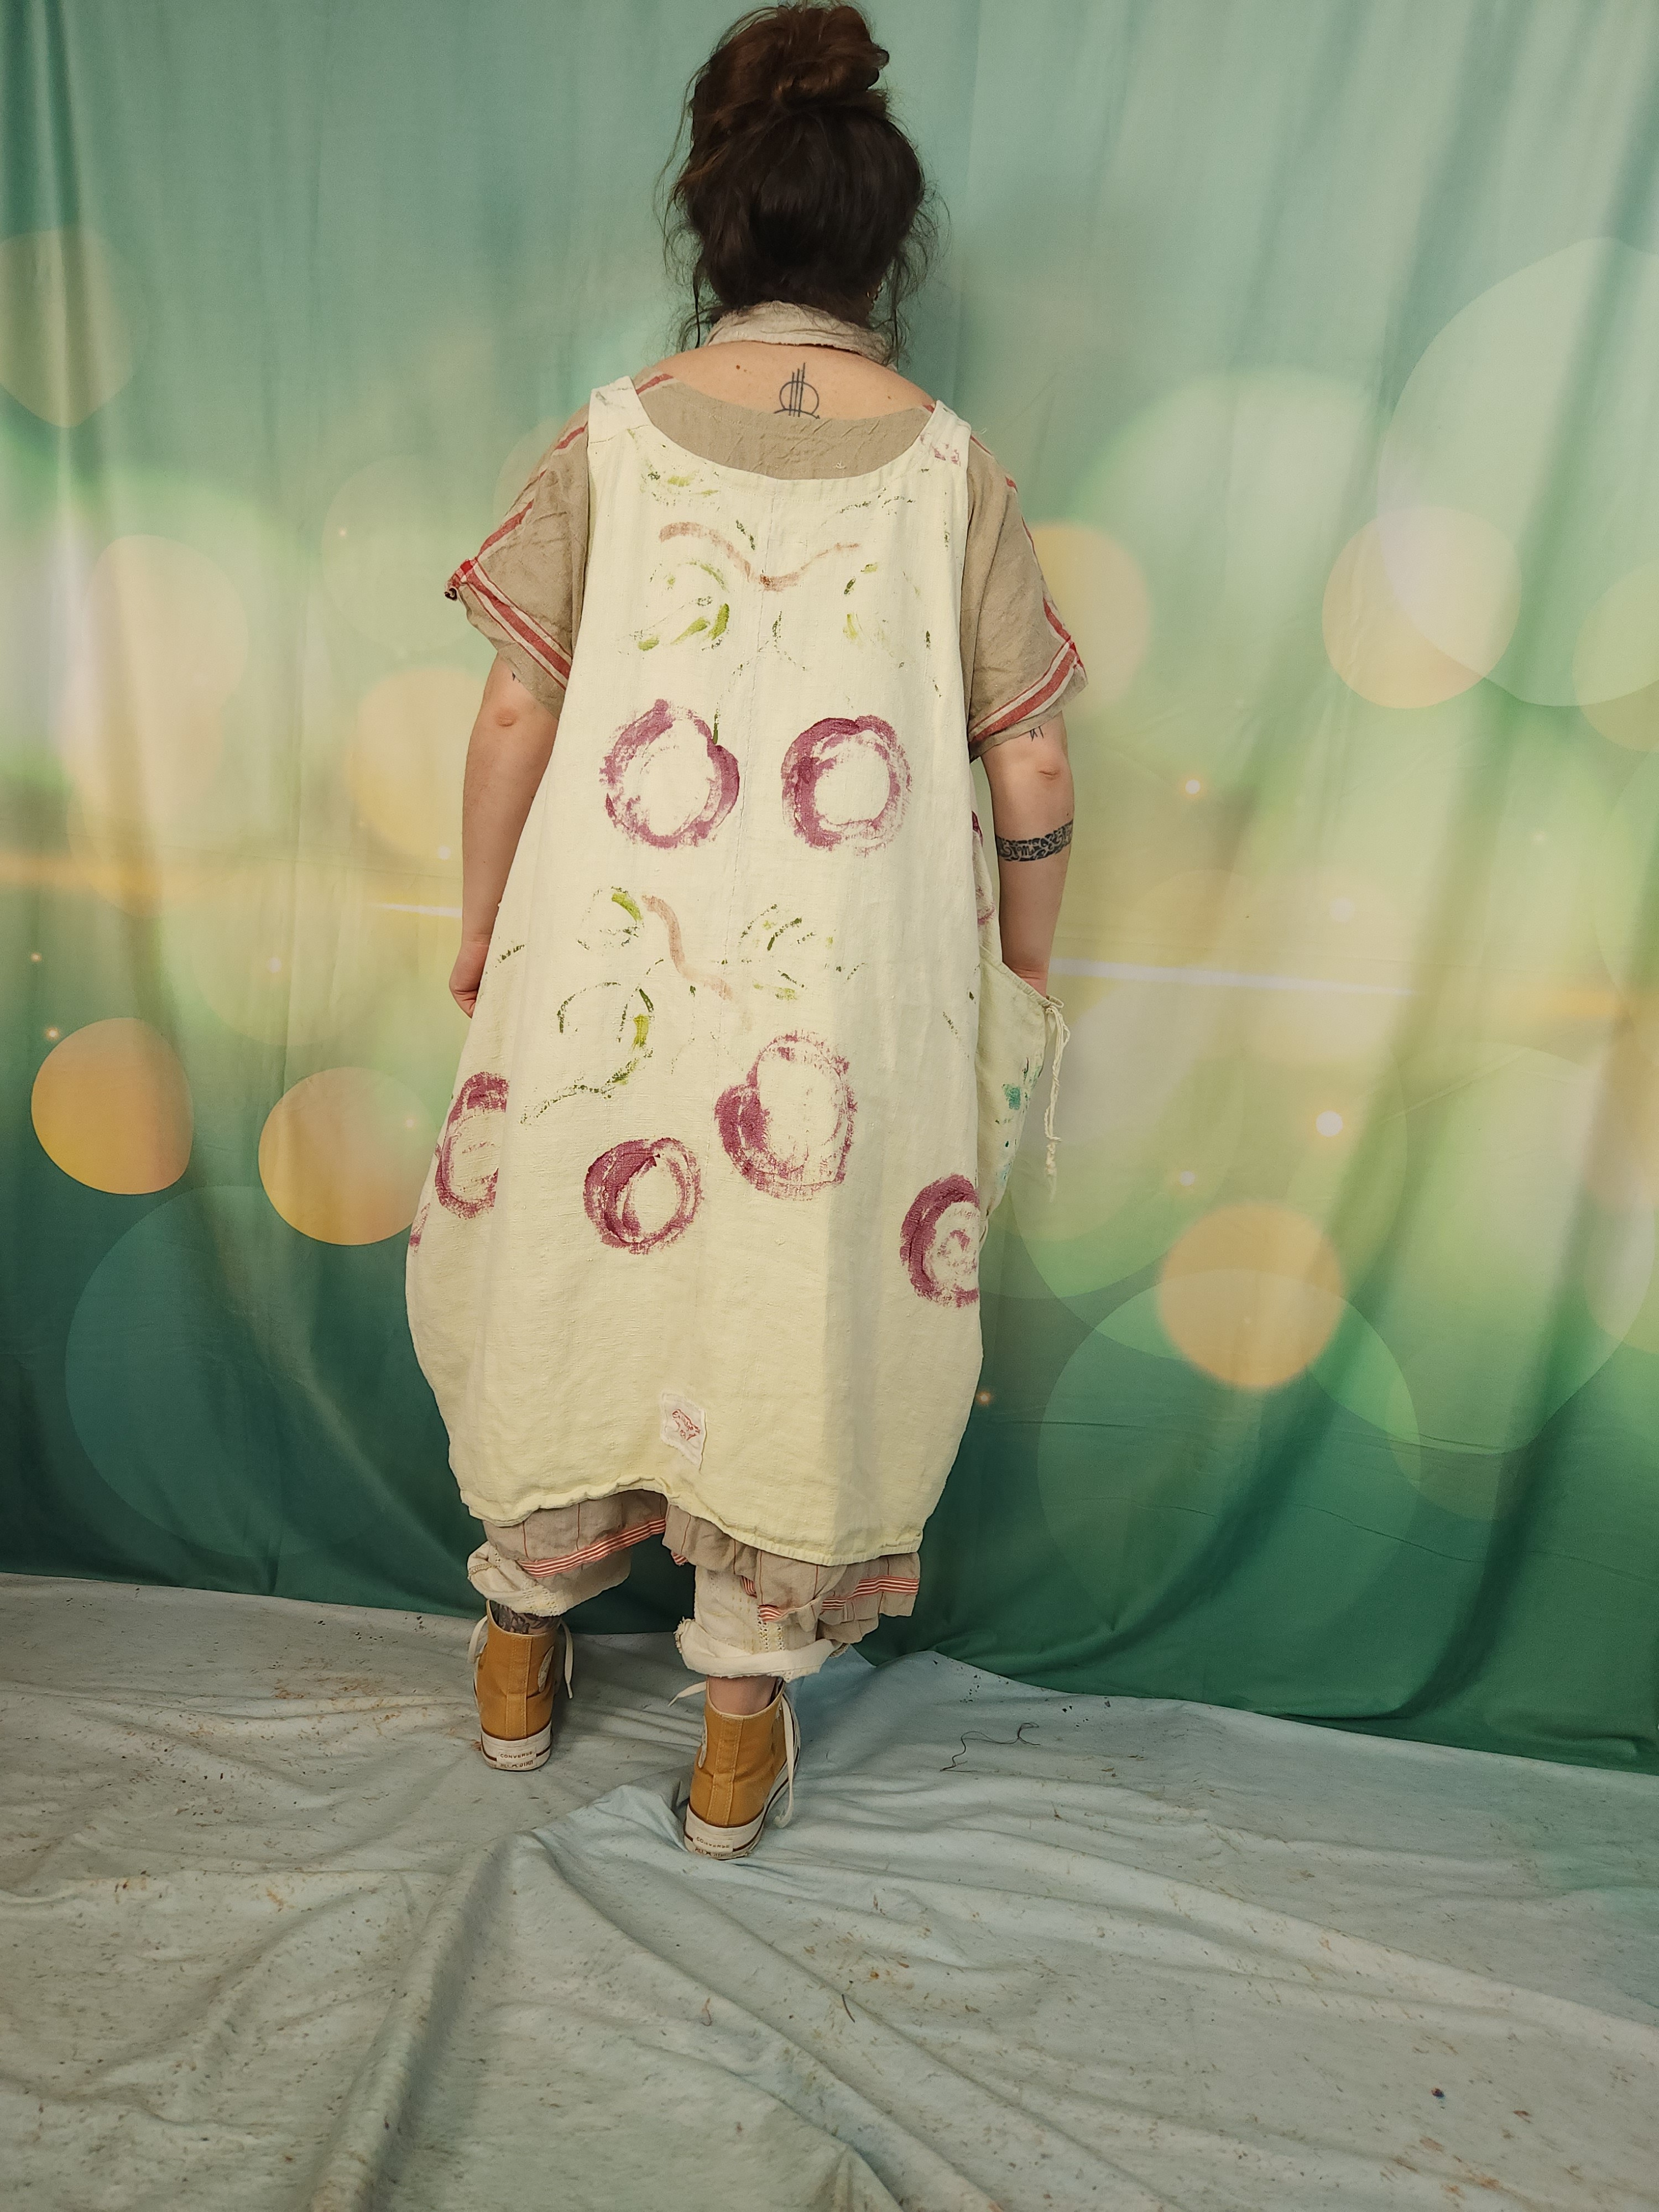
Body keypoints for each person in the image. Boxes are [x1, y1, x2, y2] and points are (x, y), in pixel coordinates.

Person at [408, 0, 1082, 1858]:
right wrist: (1023, 969)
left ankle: (518, 1650)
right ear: (885, 249)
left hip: (601, 966)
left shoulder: (613, 440)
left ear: (714, 227)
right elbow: (1028, 759)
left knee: (567, 1262)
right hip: (852, 1008)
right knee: (801, 1294)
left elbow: (515, 710)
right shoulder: (956, 472)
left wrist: (480, 928)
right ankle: (732, 1736)